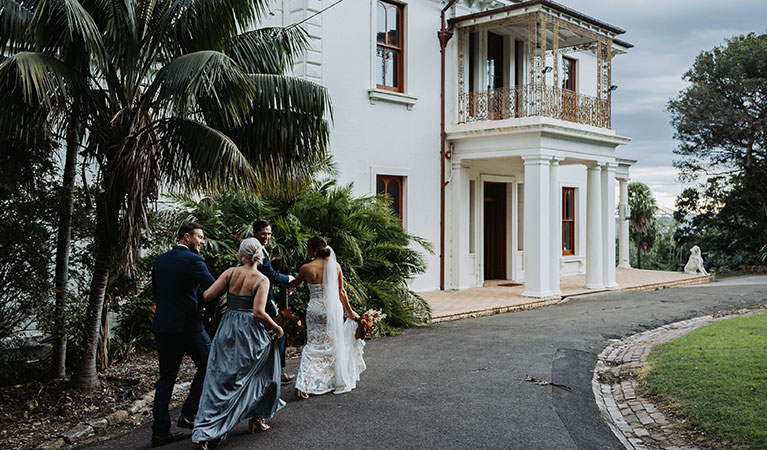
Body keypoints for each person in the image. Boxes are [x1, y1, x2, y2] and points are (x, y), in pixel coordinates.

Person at [191, 238, 286, 450]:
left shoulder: (230, 273)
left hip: (227, 327)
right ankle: (258, 416)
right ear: (259, 255)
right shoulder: (262, 280)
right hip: (249, 333)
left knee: (219, 379)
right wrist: (277, 328)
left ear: (241, 254)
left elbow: (207, 295)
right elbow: (259, 313)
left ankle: (203, 431)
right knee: (264, 373)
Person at [150, 222, 216, 447]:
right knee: (210, 363)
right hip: (188, 327)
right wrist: (208, 312)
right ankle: (188, 413)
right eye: (200, 236)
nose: (202, 241)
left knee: (166, 378)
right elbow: (213, 288)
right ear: (186, 237)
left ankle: (159, 431)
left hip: (163, 327)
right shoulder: (194, 260)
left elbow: (156, 293)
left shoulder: (160, 260)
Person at [289, 235, 366, 398]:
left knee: (313, 345)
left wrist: (283, 282)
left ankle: (303, 384)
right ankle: (331, 380)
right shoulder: (335, 266)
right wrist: (350, 312)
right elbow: (341, 292)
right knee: (332, 343)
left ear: (314, 249)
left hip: (315, 310)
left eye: (308, 247)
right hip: (333, 309)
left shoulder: (306, 268)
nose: (306, 250)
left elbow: (294, 284)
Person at [253, 219, 295, 384]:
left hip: (258, 296)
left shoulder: (257, 248)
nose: (267, 236)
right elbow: (270, 274)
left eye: (269, 233)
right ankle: (280, 371)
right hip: (263, 297)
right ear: (255, 233)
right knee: (279, 329)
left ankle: (270, 370)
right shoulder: (257, 250)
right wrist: (289, 278)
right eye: (263, 233)